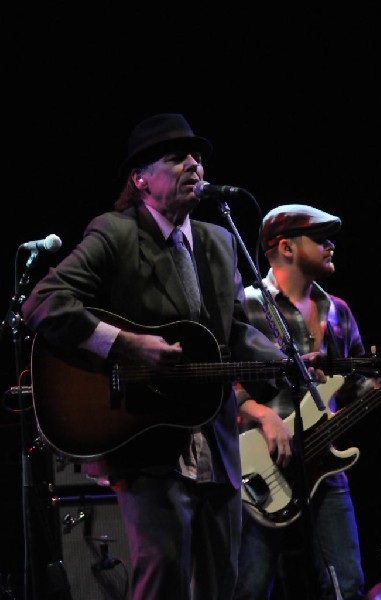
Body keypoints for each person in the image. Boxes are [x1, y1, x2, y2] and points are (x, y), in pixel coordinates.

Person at [21, 113, 289, 600]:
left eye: (198, 156)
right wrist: (123, 343)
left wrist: (286, 358)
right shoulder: (115, 233)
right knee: (162, 575)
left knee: (220, 582)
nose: (194, 164)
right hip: (146, 438)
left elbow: (233, 332)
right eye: (176, 156)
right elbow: (43, 302)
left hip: (217, 441)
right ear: (140, 179)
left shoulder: (219, 240)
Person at [233, 204, 366, 600]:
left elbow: (358, 385)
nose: (330, 247)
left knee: (347, 585)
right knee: (251, 587)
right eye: (321, 239)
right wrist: (261, 415)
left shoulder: (337, 311)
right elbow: (223, 382)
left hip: (326, 464)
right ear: (287, 248)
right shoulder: (247, 305)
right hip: (259, 468)